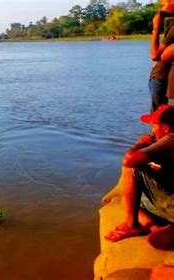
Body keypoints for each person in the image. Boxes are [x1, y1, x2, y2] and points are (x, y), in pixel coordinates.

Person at [104, 105, 174, 250]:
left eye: (154, 126)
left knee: (133, 168)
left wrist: (140, 144)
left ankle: (132, 225)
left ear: (166, 128)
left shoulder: (170, 139)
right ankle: (156, 229)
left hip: (171, 205)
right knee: (127, 200)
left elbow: (129, 160)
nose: (152, 131)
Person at [149, 1, 174, 113]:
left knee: (160, 122)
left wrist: (156, 27)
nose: (163, 5)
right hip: (163, 77)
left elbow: (156, 55)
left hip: (161, 77)